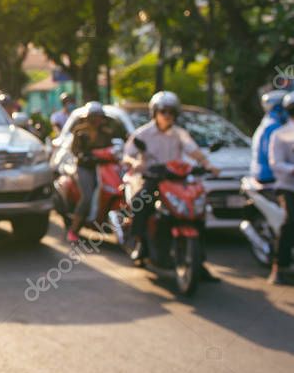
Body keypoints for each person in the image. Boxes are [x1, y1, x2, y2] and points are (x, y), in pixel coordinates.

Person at [123, 91, 220, 278]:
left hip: (177, 180)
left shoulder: (180, 134)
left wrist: (208, 165)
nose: (167, 115)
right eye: (163, 111)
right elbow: (127, 154)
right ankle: (140, 243)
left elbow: (195, 152)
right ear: (155, 113)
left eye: (171, 112)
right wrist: (135, 163)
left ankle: (198, 262)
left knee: (197, 213)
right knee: (140, 204)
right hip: (153, 179)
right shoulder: (143, 133)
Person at [66, 101, 126, 243]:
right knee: (87, 196)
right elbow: (76, 151)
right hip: (85, 168)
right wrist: (85, 156)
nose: (96, 120)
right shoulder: (80, 132)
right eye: (94, 117)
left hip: (104, 167)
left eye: (99, 117)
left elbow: (111, 150)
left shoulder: (107, 133)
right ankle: (74, 229)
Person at [266, 92, 294, 285]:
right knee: (290, 222)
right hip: (288, 187)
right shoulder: (280, 134)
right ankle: (279, 266)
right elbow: (276, 163)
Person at [252, 90, 289, 184]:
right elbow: (274, 157)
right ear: (279, 108)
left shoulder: (268, 122)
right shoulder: (274, 127)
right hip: (269, 177)